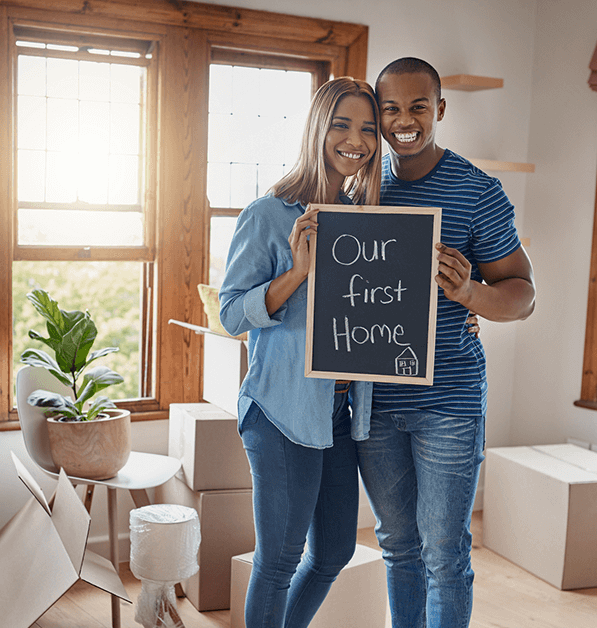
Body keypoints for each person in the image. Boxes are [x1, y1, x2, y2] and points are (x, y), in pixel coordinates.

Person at [355, 57, 537, 627]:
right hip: (376, 402)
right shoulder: (361, 185)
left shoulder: (476, 191)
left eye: (417, 107)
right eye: (390, 108)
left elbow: (524, 294)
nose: (403, 120)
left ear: (440, 108)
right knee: (399, 547)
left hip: (449, 403)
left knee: (444, 555)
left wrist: (470, 294)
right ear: (377, 115)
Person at [218, 77, 380, 628]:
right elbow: (232, 313)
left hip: (338, 412)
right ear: (318, 128)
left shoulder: (370, 222)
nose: (354, 139)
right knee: (279, 558)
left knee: (334, 552)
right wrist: (296, 274)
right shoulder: (268, 215)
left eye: (367, 128)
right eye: (341, 124)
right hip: (281, 411)